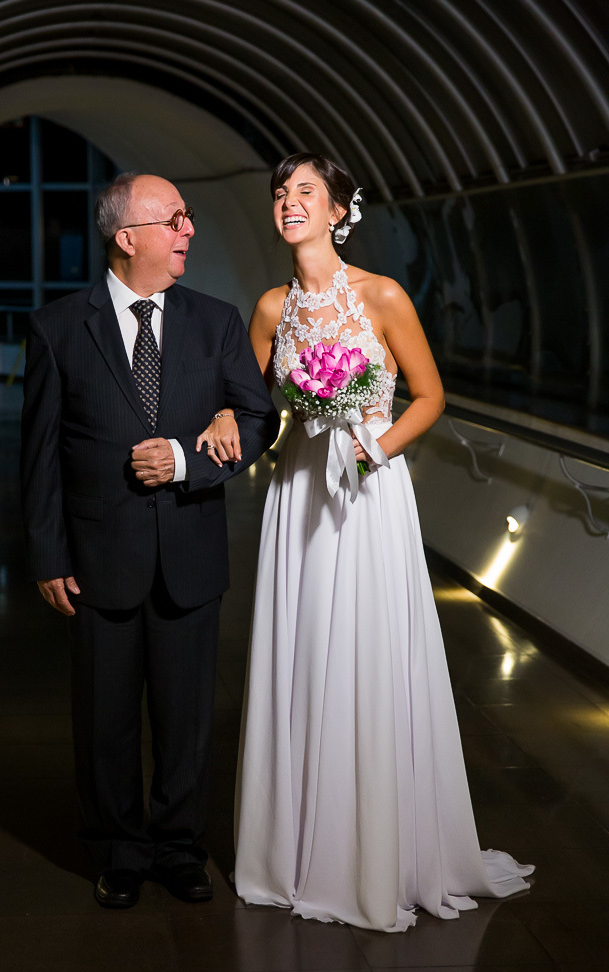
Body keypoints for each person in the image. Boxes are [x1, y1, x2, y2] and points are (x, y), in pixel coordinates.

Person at [199, 153, 533, 932]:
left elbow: (430, 394)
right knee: (304, 649)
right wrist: (222, 418)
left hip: (370, 492)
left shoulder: (381, 294)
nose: (288, 202)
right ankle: (295, 855)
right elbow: (251, 408)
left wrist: (372, 450)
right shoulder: (271, 307)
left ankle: (381, 851)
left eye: (304, 192)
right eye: (281, 193)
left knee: (369, 652)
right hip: (298, 496)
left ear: (339, 209)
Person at [20, 172, 279, 910]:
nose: (188, 231)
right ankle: (118, 851)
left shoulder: (217, 321)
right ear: (126, 236)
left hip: (191, 556)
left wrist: (192, 459)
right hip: (99, 559)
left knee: (187, 716)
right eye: (174, 220)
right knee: (104, 719)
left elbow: (257, 419)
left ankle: (179, 847)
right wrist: (47, 554)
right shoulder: (58, 327)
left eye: (189, 218)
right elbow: (37, 455)